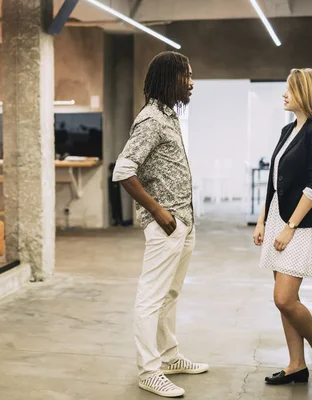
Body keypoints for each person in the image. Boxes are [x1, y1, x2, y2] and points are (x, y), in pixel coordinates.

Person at [113, 51, 208, 398]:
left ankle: (169, 357)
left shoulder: (169, 116)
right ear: (171, 79)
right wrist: (158, 212)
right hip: (166, 224)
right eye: (187, 76)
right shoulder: (151, 119)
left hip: (184, 221)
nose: (192, 83)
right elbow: (123, 170)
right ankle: (148, 371)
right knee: (151, 298)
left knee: (170, 295)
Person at [253, 68, 312, 385]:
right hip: (279, 217)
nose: (284, 94)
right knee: (283, 299)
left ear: (306, 93)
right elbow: (275, 182)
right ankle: (296, 365)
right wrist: (263, 219)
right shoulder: (287, 130)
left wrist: (289, 226)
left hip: (300, 222)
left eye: (290, 89)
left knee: (284, 298)